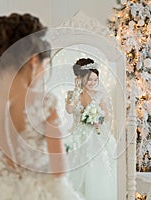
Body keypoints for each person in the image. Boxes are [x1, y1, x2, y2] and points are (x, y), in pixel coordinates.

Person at [0, 13, 83, 200]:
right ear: (34, 62)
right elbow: (59, 169)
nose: (44, 73)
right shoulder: (45, 104)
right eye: (45, 66)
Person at [65, 58, 117, 200]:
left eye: (95, 80)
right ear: (80, 78)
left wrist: (98, 119)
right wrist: (76, 90)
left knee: (96, 169)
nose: (93, 83)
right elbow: (69, 110)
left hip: (96, 134)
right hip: (77, 135)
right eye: (89, 80)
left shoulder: (99, 95)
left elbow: (106, 116)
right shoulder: (72, 94)